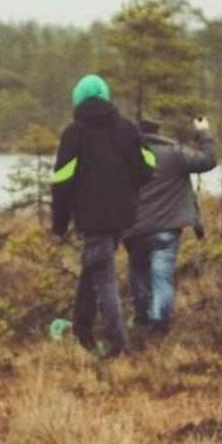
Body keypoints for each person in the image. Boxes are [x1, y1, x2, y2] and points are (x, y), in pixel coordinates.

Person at [50, 74, 154, 357]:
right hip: (122, 217)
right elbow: (147, 169)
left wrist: (59, 224)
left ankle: (119, 345)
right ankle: (82, 330)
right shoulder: (127, 129)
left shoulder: (74, 133)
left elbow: (62, 181)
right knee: (94, 265)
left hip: (91, 218)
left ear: (78, 99)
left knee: (104, 278)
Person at [124, 116, 216, 336]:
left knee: (138, 274)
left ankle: (142, 320)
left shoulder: (125, 156)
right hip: (166, 230)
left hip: (134, 230)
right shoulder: (175, 153)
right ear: (159, 132)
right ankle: (159, 325)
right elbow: (208, 160)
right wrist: (203, 132)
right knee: (162, 277)